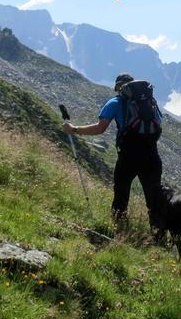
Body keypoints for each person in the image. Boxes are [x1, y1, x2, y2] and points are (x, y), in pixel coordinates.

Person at [62, 73, 163, 239]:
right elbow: (158, 125)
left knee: (121, 195)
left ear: (119, 88)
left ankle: (118, 232)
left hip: (128, 157)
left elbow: (100, 128)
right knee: (154, 200)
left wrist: (74, 129)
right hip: (151, 156)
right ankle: (159, 239)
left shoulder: (115, 102)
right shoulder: (151, 104)